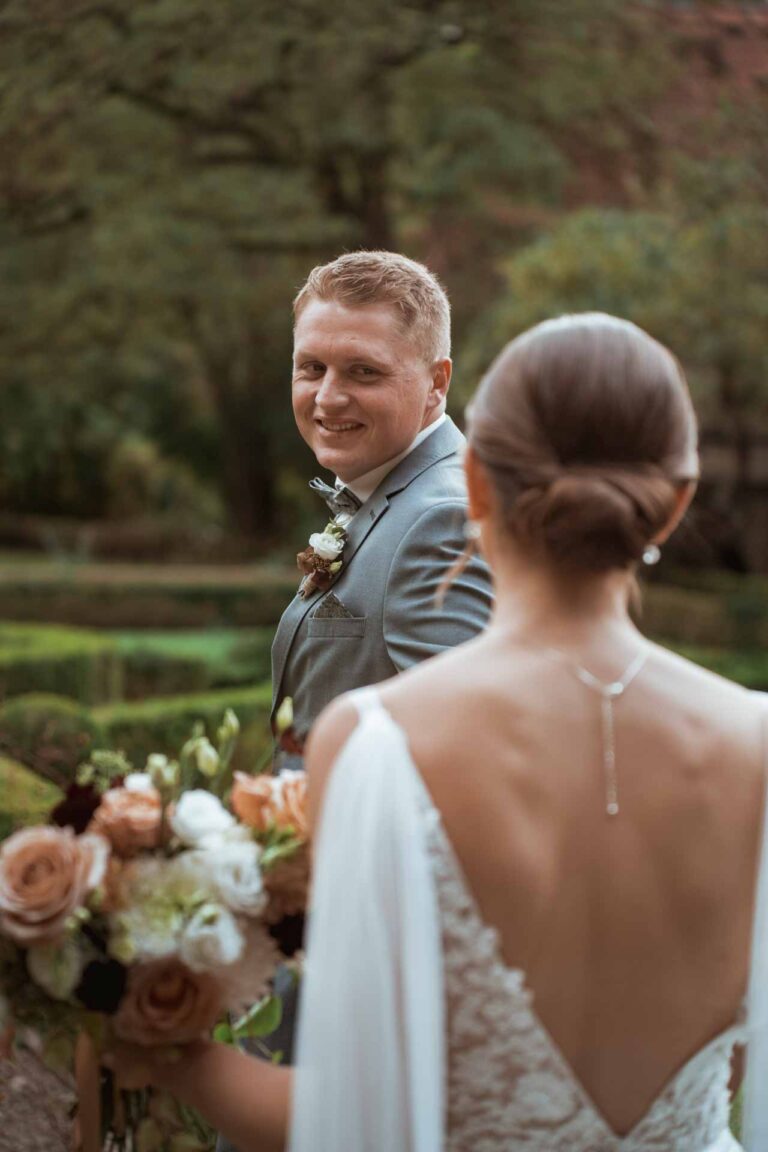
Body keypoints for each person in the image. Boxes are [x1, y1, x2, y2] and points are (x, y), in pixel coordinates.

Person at [112, 314, 768, 1152]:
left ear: (477, 483)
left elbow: (346, 1122)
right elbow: (732, 1073)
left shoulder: (379, 738)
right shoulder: (757, 741)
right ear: (674, 505)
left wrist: (161, 1049)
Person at [271, 249, 493, 747]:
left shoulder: (443, 518)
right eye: (311, 368)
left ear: (437, 383)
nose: (327, 397)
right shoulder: (395, 488)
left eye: (363, 371)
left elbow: (463, 749)